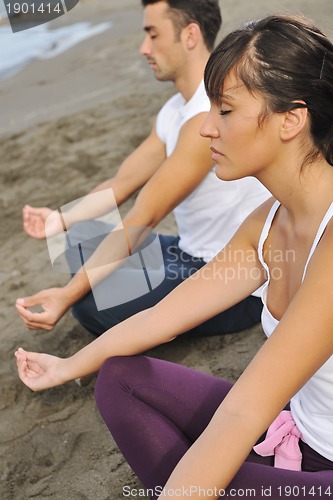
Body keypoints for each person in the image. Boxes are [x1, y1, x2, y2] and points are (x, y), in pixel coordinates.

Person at [15, 13, 333, 499]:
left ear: (292, 118)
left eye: (225, 111)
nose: (206, 128)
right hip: (293, 433)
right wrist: (65, 366)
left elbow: (243, 412)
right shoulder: (269, 222)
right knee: (118, 378)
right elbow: (163, 317)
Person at [16, 0, 269, 338]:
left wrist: (67, 295)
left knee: (87, 306)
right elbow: (122, 183)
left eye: (153, 34)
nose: (143, 48)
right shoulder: (174, 110)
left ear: (190, 34)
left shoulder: (208, 117)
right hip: (187, 250)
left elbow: (146, 214)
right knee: (77, 236)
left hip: (231, 281)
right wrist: (58, 219)